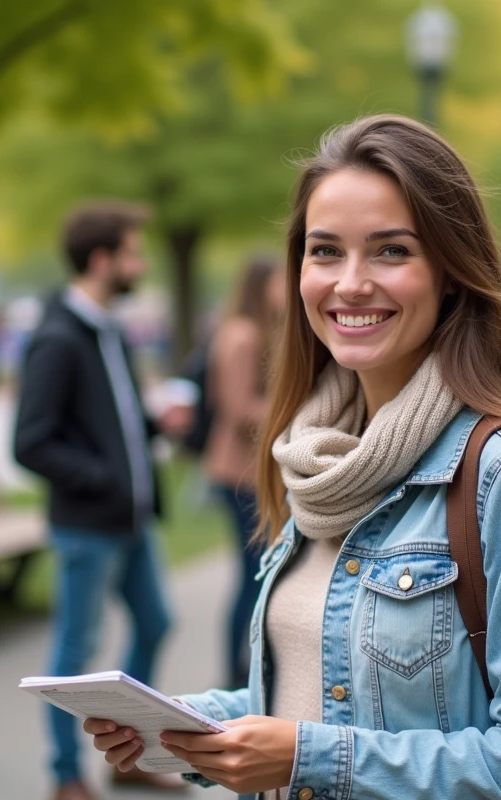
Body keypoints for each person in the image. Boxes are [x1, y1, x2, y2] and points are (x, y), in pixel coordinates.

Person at [85, 115, 501, 799]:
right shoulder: (319, 459)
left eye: (391, 252)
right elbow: (327, 693)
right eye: (325, 252)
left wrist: (310, 758)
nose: (351, 283)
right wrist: (189, 726)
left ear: (451, 271)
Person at [13, 202, 193, 800]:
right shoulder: (58, 338)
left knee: (156, 621)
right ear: (101, 260)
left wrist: (152, 423)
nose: (139, 263)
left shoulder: (108, 327)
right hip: (89, 526)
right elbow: (31, 443)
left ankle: (127, 756)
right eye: (132, 253)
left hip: (131, 520)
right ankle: (65, 776)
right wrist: (103, 477)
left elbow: (111, 419)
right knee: (75, 648)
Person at [204, 255, 286, 690]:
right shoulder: (243, 335)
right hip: (239, 475)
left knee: (256, 573)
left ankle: (244, 671)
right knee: (251, 575)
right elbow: (238, 410)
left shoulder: (258, 331)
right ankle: (236, 675)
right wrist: (295, 408)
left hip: (251, 474)